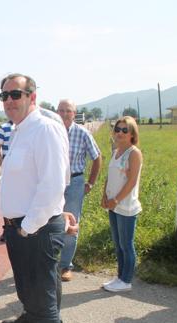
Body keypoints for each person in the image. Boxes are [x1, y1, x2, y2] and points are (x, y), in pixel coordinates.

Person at [0, 73, 69, 323]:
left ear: (32, 97)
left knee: (43, 305)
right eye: (4, 96)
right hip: (21, 229)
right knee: (31, 302)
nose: (9, 101)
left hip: (35, 230)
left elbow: (53, 185)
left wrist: (27, 227)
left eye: (15, 94)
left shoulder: (45, 129)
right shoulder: (20, 131)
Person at [57, 99, 102, 282]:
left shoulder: (83, 133)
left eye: (68, 111)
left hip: (75, 182)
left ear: (74, 114)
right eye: (61, 110)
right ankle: (49, 262)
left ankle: (65, 266)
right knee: (50, 221)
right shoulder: (51, 132)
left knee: (71, 223)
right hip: (55, 183)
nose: (64, 114)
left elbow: (97, 157)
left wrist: (90, 183)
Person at [101, 116, 143, 292]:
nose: (119, 133)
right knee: (118, 245)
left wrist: (116, 199)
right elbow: (110, 176)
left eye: (125, 130)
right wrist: (104, 195)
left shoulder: (134, 153)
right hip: (113, 205)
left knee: (126, 245)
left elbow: (132, 181)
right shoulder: (115, 151)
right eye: (117, 129)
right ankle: (119, 277)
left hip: (126, 206)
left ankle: (126, 281)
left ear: (132, 134)